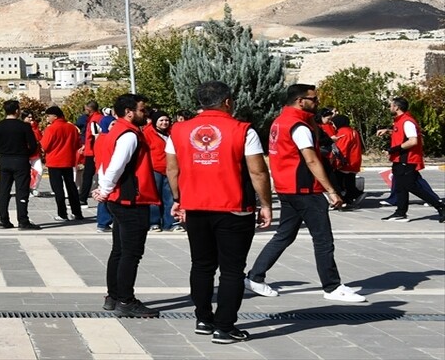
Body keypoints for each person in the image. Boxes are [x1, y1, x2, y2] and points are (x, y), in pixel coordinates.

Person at [166, 81, 273, 345]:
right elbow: (258, 171)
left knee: (201, 265)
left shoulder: (178, 130)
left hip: (196, 207)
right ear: (227, 102)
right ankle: (225, 327)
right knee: (232, 270)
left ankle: (203, 319)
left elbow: (172, 170)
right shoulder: (243, 130)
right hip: (233, 207)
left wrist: (178, 198)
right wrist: (266, 203)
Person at [245, 84, 365, 302]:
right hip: (304, 189)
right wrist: (331, 191)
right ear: (301, 101)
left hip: (287, 187)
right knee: (323, 239)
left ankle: (255, 276)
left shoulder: (280, 121)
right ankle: (332, 287)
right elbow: (310, 159)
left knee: (284, 235)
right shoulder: (298, 126)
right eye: (314, 99)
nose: (317, 103)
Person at [92, 93, 159, 317]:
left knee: (119, 251)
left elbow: (105, 162)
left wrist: (104, 188)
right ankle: (126, 300)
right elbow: (116, 165)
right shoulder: (129, 135)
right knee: (131, 253)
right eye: (142, 109)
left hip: (119, 199)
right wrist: (104, 189)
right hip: (130, 199)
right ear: (129, 112)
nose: (146, 113)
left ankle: (113, 296)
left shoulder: (114, 131)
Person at [377, 97, 445, 223]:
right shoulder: (400, 121)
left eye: (391, 106)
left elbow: (413, 141)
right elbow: (401, 134)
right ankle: (400, 213)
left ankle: (440, 206)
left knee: (411, 185)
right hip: (399, 159)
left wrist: (393, 150)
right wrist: (388, 131)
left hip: (407, 159)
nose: (389, 108)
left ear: (397, 107)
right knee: (400, 186)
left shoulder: (407, 121)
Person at [0, 100, 40, 230]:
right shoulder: (24, 126)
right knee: (22, 191)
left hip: (5, 161)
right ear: (17, 111)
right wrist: (26, 153)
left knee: (3, 191)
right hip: (21, 160)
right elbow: (33, 145)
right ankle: (23, 220)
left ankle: (4, 220)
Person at [41, 106, 82, 221]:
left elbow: (45, 146)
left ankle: (62, 213)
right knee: (71, 187)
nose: (47, 118)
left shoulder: (51, 129)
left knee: (58, 189)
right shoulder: (71, 128)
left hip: (54, 162)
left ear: (55, 116)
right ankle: (77, 212)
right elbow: (77, 144)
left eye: (48, 116)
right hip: (68, 161)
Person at [144, 112, 177, 232]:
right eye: (161, 120)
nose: (164, 123)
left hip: (169, 168)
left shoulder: (171, 133)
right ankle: (154, 222)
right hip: (155, 168)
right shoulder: (148, 133)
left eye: (166, 120)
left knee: (170, 197)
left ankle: (170, 223)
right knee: (154, 197)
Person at [331, 115, 364, 208]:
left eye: (333, 123)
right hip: (354, 160)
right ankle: (352, 196)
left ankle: (344, 198)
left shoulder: (343, 133)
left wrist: (338, 162)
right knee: (349, 180)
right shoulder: (353, 131)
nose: (333, 126)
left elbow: (341, 149)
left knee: (339, 182)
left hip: (346, 162)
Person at [78, 101, 104, 204]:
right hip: (91, 150)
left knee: (88, 175)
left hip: (92, 152)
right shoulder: (98, 118)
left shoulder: (94, 120)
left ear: (89, 109)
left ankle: (83, 198)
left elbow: (94, 137)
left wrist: (93, 151)